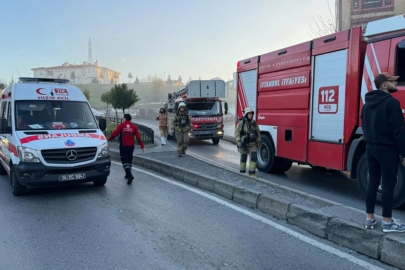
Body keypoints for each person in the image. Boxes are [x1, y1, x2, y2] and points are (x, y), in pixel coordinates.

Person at [361, 72, 405, 232]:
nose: (396, 84)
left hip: (370, 149)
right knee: (388, 185)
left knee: (373, 182)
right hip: (387, 151)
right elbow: (399, 132)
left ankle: (370, 220)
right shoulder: (392, 103)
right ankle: (387, 222)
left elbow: (365, 127)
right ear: (384, 85)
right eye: (393, 82)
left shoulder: (366, 104)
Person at [108, 114, 145, 184]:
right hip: (131, 147)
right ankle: (128, 174)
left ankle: (130, 175)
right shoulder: (134, 127)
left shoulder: (121, 126)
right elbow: (138, 137)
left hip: (123, 146)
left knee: (124, 160)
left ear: (125, 118)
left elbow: (114, 134)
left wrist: (109, 139)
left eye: (123, 118)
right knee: (129, 160)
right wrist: (142, 146)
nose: (122, 119)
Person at [235, 107, 261, 178]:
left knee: (254, 158)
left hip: (252, 144)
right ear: (246, 114)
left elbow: (258, 133)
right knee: (243, 158)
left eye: (251, 114)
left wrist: (258, 141)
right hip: (244, 144)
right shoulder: (241, 123)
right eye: (249, 114)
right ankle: (242, 172)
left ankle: (252, 173)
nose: (251, 115)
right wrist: (239, 142)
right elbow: (237, 133)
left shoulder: (254, 123)